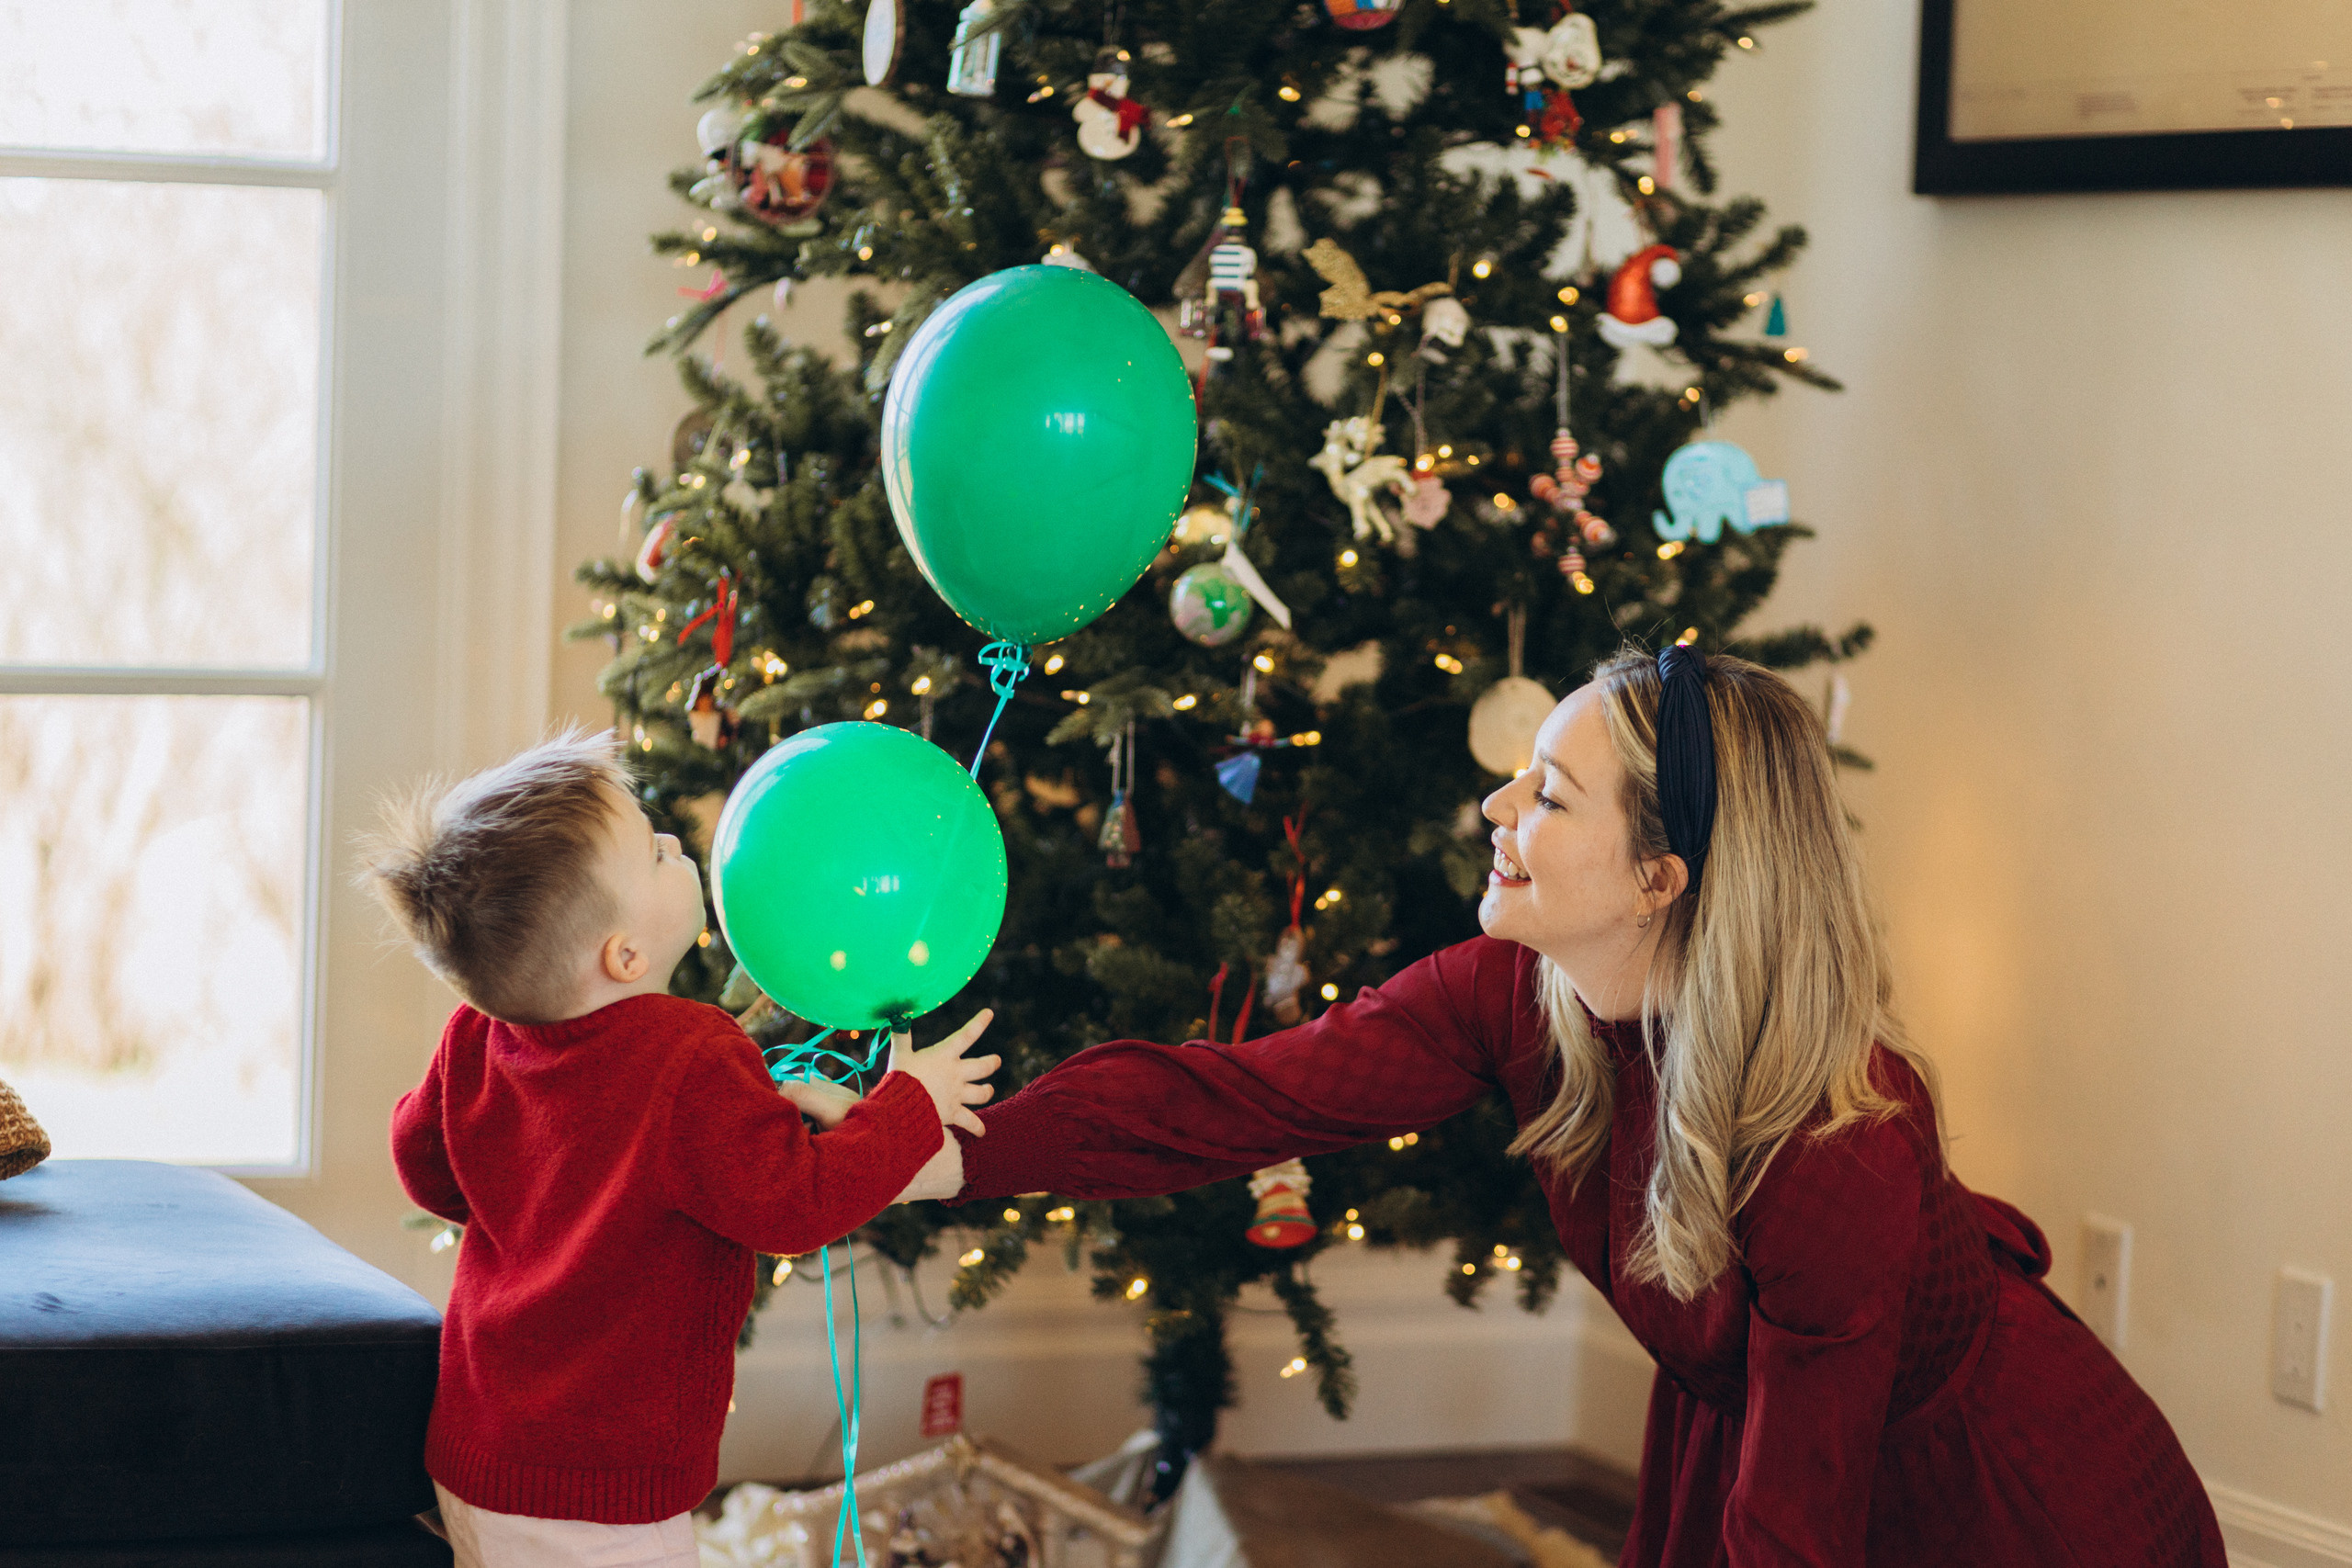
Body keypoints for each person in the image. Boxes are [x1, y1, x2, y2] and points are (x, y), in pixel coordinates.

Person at [920, 647, 2225, 1566]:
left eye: (1546, 793)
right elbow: (1228, 1101)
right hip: (1761, 1440)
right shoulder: (1514, 990)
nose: (1495, 809)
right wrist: (926, 1148)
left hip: (2000, 1496)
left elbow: (1795, 1525)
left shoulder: (1838, 1145)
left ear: (1662, 874)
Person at [364, 730, 992, 1568]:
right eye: (653, 852)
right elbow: (795, 1205)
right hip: (602, 1490)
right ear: (623, 954)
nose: (675, 844)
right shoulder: (691, 1053)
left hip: (477, 1447)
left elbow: (426, 1164)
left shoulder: (476, 1033)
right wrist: (910, 1105)